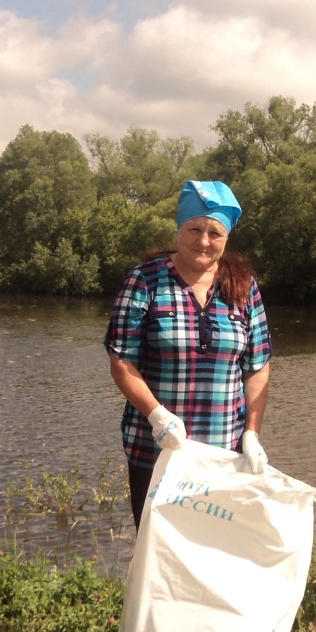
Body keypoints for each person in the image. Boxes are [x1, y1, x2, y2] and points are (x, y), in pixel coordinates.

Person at [105, 180, 274, 527]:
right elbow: (122, 360)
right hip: (156, 449)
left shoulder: (244, 286)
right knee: (157, 547)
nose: (203, 241)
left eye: (215, 233)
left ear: (226, 238)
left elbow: (257, 367)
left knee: (214, 546)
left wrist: (252, 433)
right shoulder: (144, 281)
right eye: (194, 229)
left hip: (223, 454)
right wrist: (156, 415)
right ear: (180, 227)